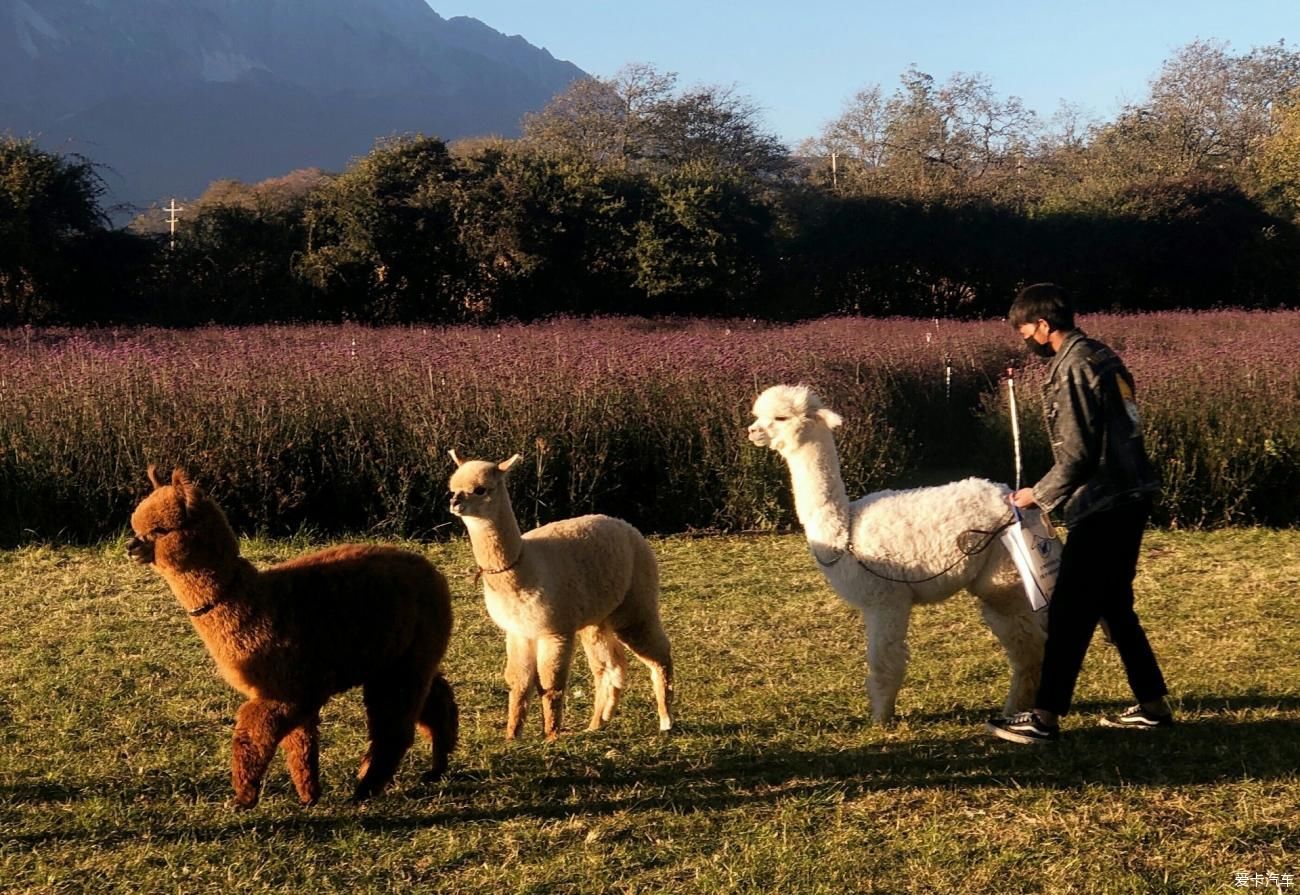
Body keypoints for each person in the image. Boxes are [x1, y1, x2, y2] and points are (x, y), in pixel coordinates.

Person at [987, 283, 1173, 745]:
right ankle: (1152, 706)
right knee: (1114, 607)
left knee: (1070, 612)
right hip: (1131, 494)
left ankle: (1044, 718)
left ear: (1044, 325)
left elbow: (1078, 456)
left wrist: (1038, 495)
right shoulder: (1101, 355)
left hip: (1104, 502)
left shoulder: (1072, 368)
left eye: (1024, 330)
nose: (1023, 339)